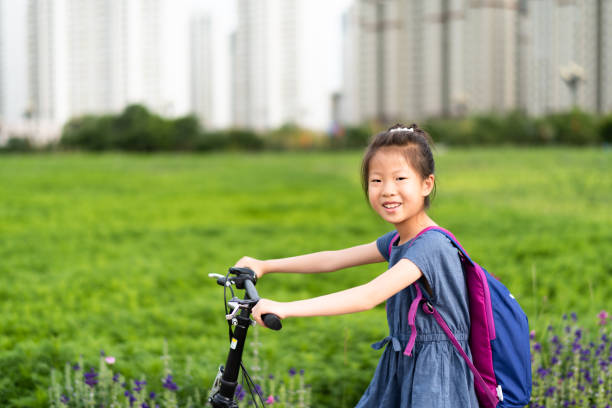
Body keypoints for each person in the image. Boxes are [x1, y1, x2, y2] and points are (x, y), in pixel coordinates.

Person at [234, 124, 478, 407]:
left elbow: (368, 297)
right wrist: (265, 265)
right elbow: (332, 259)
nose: (388, 190)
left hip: (436, 377)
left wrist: (285, 308)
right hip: (403, 364)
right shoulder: (401, 239)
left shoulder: (431, 247)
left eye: (400, 178)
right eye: (376, 181)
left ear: (427, 184)